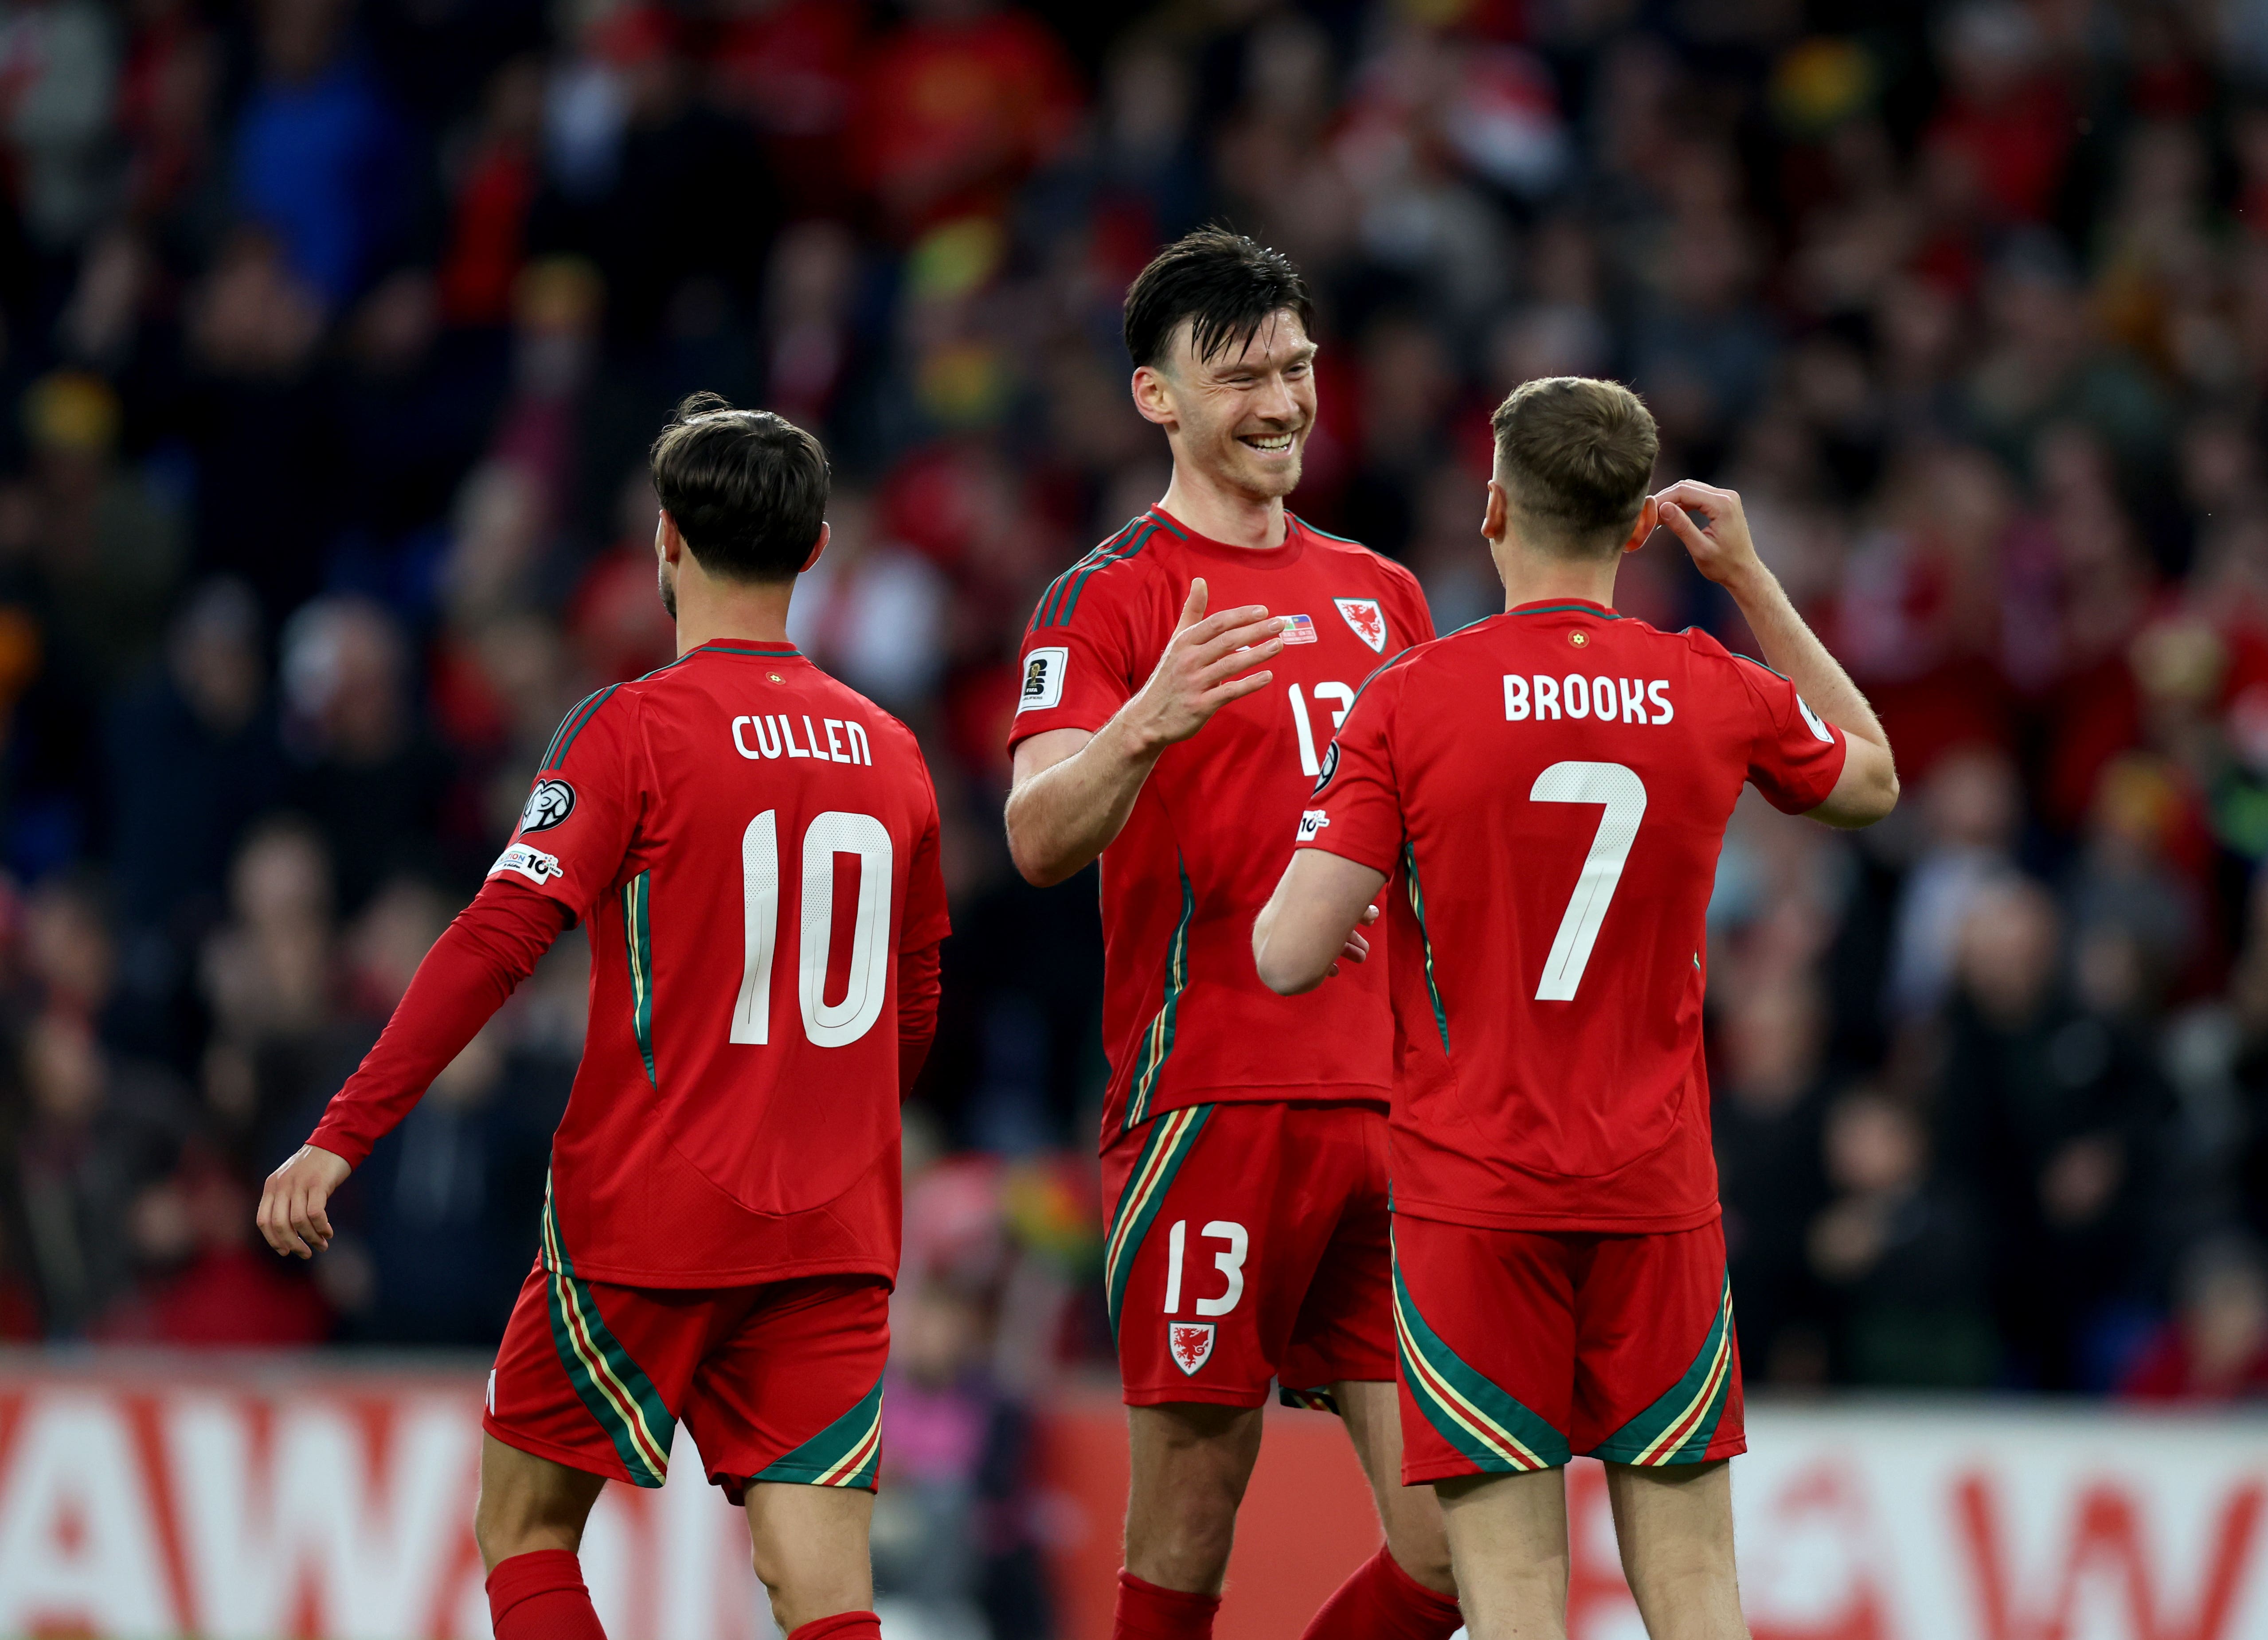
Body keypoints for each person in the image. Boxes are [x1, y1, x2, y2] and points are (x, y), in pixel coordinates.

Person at [255, 395, 950, 1640]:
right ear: (818, 547)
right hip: (833, 1227)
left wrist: (342, 1132)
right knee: (823, 1587)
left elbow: (494, 941)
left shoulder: (630, 729)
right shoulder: (894, 753)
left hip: (650, 1214)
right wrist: (832, 1126)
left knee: (523, 1524)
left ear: (666, 539)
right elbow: (918, 993)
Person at [1253, 377, 1900, 1640]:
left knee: (1515, 1598)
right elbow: (1870, 775)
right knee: (1699, 1589)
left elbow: (1286, 953)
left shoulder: (1412, 698)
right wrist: (1754, 583)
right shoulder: (1709, 685)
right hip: (1656, 1193)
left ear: (1493, 507)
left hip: (1473, 1197)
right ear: (1644, 527)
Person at [1004, 228, 1458, 1640]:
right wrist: (1148, 720)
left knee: (1453, 1554)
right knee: (1190, 1526)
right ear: (1158, 399)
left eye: (1299, 366)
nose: (1281, 401)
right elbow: (1034, 835)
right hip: (1213, 1099)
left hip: (1392, 1110)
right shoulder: (1108, 596)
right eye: (1243, 374)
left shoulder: (1386, 594)